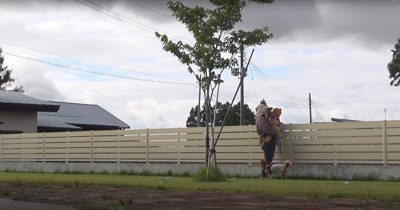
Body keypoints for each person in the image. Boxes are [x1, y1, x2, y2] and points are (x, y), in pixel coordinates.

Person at [255, 103, 277, 179]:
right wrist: (273, 133)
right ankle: (264, 175)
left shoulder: (263, 118)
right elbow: (265, 128)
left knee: (269, 159)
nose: (268, 112)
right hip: (266, 139)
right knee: (268, 159)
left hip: (269, 139)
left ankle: (267, 175)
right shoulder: (260, 118)